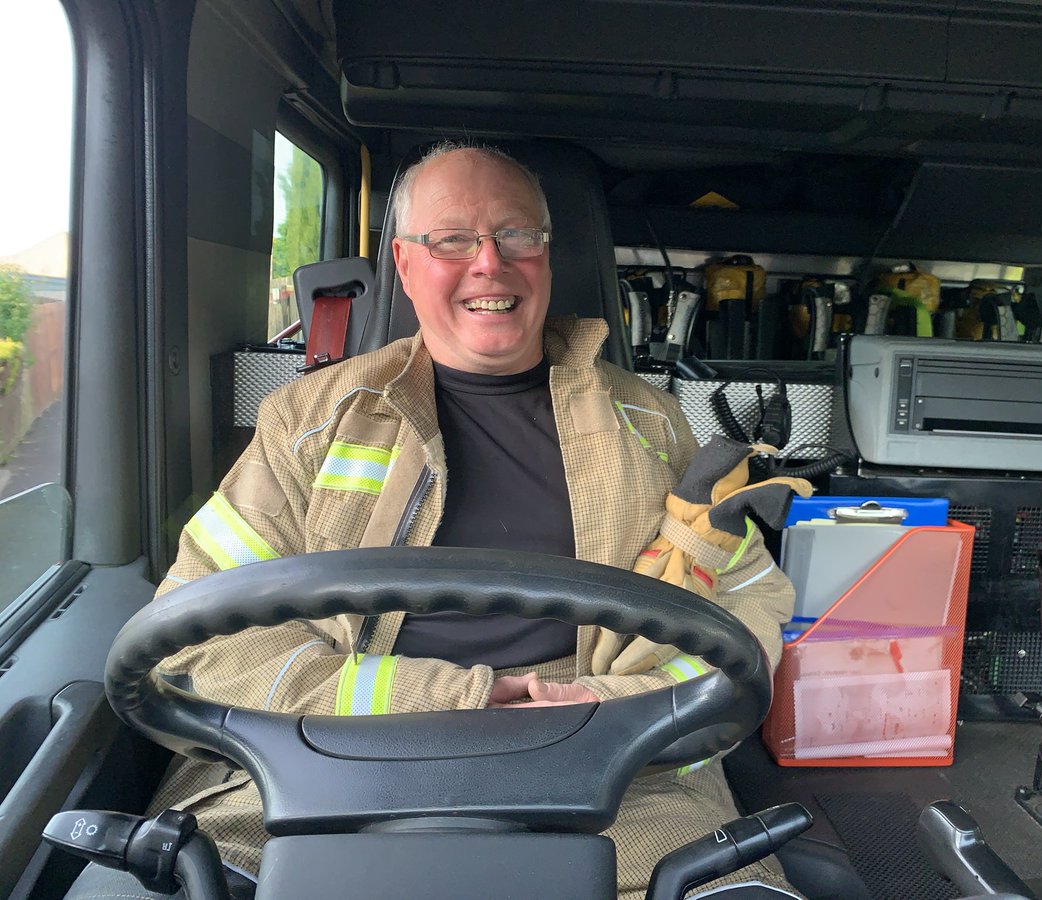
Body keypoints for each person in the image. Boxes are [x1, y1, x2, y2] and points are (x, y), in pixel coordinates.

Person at [68, 142, 801, 898]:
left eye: (518, 235)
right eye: (454, 239)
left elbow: (749, 603)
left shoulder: (651, 422)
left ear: (547, 257)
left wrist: (613, 706)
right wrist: (457, 697)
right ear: (407, 265)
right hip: (312, 765)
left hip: (617, 777)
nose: (491, 262)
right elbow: (196, 635)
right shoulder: (307, 422)